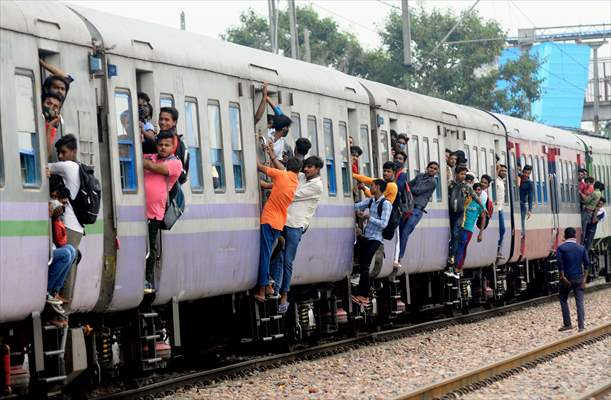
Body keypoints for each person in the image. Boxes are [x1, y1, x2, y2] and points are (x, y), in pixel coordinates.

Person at [270, 156, 324, 312]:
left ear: (317, 169)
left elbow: (292, 195)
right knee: (278, 254)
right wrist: (273, 157)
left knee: (288, 260)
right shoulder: (301, 176)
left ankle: (284, 294)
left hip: (296, 225)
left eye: (310, 167)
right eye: (305, 166)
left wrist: (272, 186)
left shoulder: (317, 186)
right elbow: (284, 172)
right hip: (284, 221)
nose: (306, 169)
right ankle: (276, 288)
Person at [255, 154, 301, 302]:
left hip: (268, 220)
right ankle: (268, 286)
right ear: (298, 171)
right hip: (279, 223)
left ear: (287, 167)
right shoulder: (294, 182)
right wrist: (263, 184)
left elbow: (260, 167)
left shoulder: (281, 175)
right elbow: (273, 186)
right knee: (268, 254)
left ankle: (262, 290)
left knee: (265, 255)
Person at [143, 130, 183, 292]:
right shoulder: (150, 157)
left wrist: (137, 158)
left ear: (173, 147)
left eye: (167, 145)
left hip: (154, 212)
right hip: (139, 210)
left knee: (150, 246)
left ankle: (147, 279)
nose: (163, 148)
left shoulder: (175, 163)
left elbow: (154, 168)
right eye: (160, 145)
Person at [46, 134, 83, 299]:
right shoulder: (78, 168)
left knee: (68, 266)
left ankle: (63, 313)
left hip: (70, 225)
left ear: (73, 152)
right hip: (76, 225)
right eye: (58, 152)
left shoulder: (68, 167)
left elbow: (43, 165)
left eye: (63, 152)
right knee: (69, 261)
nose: (60, 156)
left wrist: (49, 130)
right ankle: (61, 310)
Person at [353, 179, 392, 305]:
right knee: (362, 265)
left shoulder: (386, 204)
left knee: (365, 266)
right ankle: (362, 293)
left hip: (376, 239)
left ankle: (364, 295)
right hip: (367, 237)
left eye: (372, 186)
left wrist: (369, 217)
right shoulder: (371, 200)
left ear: (378, 187)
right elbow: (356, 206)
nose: (370, 188)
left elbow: (384, 224)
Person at [395, 161, 439, 268]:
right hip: (407, 207)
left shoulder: (433, 182)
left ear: (437, 171)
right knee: (399, 231)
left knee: (405, 231)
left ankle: (399, 257)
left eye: (434, 169)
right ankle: (395, 255)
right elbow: (409, 185)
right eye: (431, 167)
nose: (432, 170)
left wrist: (407, 188)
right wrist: (406, 187)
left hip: (417, 210)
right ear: (427, 167)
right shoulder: (419, 176)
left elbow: (417, 190)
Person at [448, 166, 487, 267]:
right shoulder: (450, 184)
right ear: (456, 174)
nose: (463, 176)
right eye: (461, 174)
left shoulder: (466, 187)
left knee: (456, 234)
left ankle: (452, 256)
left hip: (460, 214)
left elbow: (475, 196)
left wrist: (483, 207)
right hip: (450, 212)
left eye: (465, 174)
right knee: (451, 233)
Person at [556, 227, 589, 332]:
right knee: (579, 302)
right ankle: (581, 326)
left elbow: (559, 264)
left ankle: (567, 324)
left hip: (567, 279)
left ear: (565, 236)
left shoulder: (561, 248)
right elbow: (587, 264)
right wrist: (584, 279)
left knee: (563, 299)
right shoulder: (581, 248)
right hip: (579, 279)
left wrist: (563, 277)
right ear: (575, 236)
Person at [47, 199, 77, 306]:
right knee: (66, 254)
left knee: (72, 251)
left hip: (52, 249)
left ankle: (55, 291)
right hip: (43, 252)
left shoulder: (55, 218)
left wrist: (56, 219)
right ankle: (47, 291)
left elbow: (61, 241)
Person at [456, 183, 486, 271]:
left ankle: (458, 266)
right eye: (475, 189)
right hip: (460, 226)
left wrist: (481, 233)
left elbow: (483, 218)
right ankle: (459, 265)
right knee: (460, 246)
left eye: (479, 190)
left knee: (463, 245)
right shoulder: (466, 200)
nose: (477, 191)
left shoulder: (481, 204)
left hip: (469, 229)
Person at [518, 165, 535, 236]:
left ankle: (522, 235)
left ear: (530, 174)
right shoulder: (518, 178)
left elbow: (530, 198)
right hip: (515, 204)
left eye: (528, 173)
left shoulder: (529, 184)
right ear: (523, 171)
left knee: (521, 222)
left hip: (522, 205)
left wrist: (530, 210)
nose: (526, 174)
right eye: (525, 172)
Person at [495, 165, 508, 258]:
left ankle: (498, 249)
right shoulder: (496, 181)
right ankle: (496, 250)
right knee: (501, 230)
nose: (503, 172)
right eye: (502, 170)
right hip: (497, 210)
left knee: (502, 230)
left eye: (505, 171)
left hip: (500, 209)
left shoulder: (501, 181)